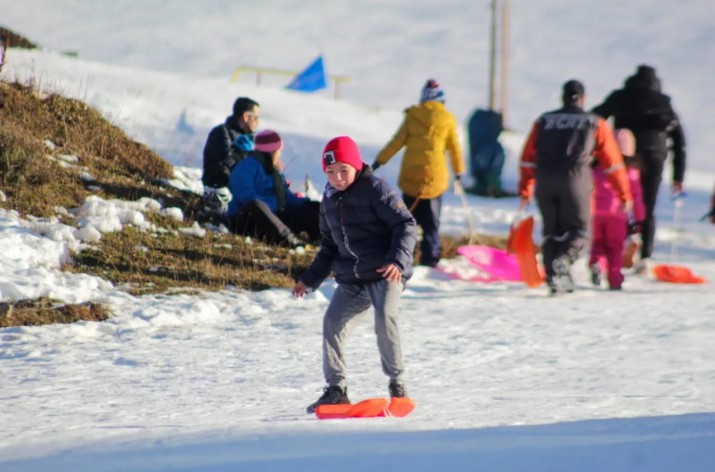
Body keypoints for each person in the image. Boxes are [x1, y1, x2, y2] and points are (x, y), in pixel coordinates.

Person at [292, 136, 417, 414]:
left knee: (385, 317)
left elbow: (406, 225)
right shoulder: (327, 200)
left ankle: (398, 383)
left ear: (356, 165)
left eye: (343, 171)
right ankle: (336, 390)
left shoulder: (375, 188)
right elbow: (328, 247)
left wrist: (397, 260)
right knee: (332, 323)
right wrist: (309, 280)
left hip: (386, 271)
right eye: (331, 173)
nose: (337, 178)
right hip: (352, 277)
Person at [518, 79, 632, 295]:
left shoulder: (544, 120)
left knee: (552, 232)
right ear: (583, 99)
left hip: (545, 178)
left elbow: (527, 158)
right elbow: (613, 163)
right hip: (575, 178)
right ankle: (563, 260)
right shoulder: (594, 122)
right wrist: (623, 193)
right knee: (579, 230)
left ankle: (554, 278)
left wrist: (525, 188)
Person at [592, 65, 687, 274]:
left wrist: (596, 151)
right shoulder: (664, 103)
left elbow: (595, 117)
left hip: (625, 156)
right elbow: (679, 140)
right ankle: (645, 256)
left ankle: (623, 244)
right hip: (654, 156)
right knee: (647, 206)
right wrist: (678, 175)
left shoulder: (621, 96)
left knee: (621, 202)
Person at [372, 79, 465, 267]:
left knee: (407, 220)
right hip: (434, 178)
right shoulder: (447, 119)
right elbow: (455, 148)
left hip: (411, 177)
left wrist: (379, 162)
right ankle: (430, 259)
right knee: (432, 224)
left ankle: (402, 255)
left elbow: (396, 142)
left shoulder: (412, 115)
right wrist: (459, 171)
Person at [226, 130, 320, 247]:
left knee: (312, 208)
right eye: (279, 151)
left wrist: (309, 204)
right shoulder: (246, 166)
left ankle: (324, 240)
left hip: (273, 218)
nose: (280, 154)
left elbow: (287, 198)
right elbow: (245, 196)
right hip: (245, 219)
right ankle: (289, 241)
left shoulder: (274, 173)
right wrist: (273, 206)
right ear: (271, 152)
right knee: (255, 205)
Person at [588, 129, 645, 290]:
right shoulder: (630, 172)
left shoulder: (597, 168)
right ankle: (615, 279)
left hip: (595, 213)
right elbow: (637, 196)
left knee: (597, 243)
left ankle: (596, 263)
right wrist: (639, 218)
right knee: (615, 247)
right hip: (617, 215)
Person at [202, 96, 260, 189]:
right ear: (246, 117)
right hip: (219, 192)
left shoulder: (250, 140)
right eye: (256, 117)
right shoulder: (221, 133)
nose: (258, 122)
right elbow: (229, 162)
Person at [466, 108, 508, 197]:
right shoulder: (493, 145)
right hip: (487, 173)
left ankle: (487, 187)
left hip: (481, 172)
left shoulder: (478, 126)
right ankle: (490, 187)